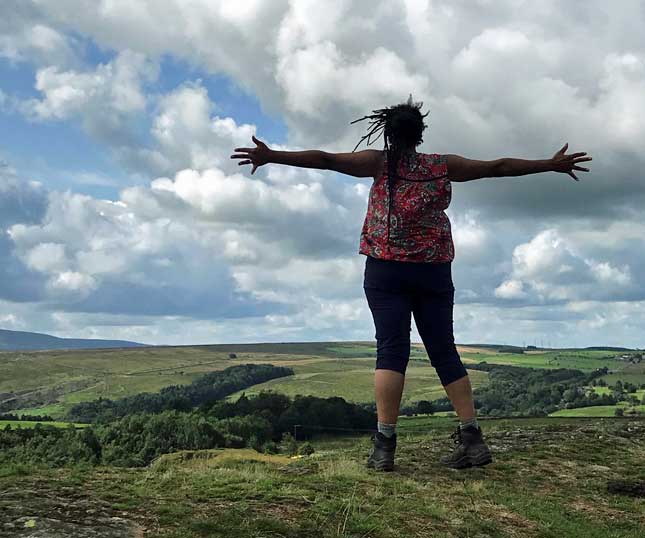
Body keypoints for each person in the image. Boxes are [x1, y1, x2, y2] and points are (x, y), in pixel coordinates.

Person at [231, 96, 591, 471]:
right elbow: (496, 167)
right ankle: (472, 440)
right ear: (420, 135)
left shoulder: (378, 163)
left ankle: (384, 447)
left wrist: (273, 156)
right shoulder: (442, 166)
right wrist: (549, 165)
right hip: (434, 271)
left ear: (388, 134)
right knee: (444, 350)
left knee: (391, 351)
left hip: (385, 269)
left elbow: (326, 159)